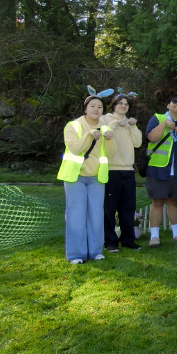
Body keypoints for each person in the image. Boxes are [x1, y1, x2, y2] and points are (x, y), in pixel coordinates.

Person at [59, 92, 116, 264]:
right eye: (92, 106)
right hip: (75, 177)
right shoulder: (73, 126)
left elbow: (111, 154)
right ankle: (76, 255)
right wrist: (89, 134)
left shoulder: (105, 128)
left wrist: (110, 139)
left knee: (96, 215)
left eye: (100, 107)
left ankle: (95, 252)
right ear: (85, 109)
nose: (96, 109)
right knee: (76, 215)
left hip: (96, 178)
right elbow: (75, 149)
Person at [144, 95, 177, 247]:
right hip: (158, 168)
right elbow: (151, 137)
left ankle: (176, 234)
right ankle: (154, 236)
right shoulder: (157, 118)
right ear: (168, 105)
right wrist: (164, 123)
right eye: (174, 102)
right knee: (157, 201)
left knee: (174, 201)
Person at [100, 92, 142, 253]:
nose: (124, 106)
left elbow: (138, 143)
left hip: (128, 170)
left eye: (126, 104)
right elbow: (104, 135)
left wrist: (132, 126)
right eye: (120, 103)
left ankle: (128, 240)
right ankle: (110, 242)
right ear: (113, 105)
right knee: (110, 208)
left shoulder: (130, 123)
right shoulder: (105, 119)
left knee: (128, 207)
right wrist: (115, 123)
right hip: (111, 169)